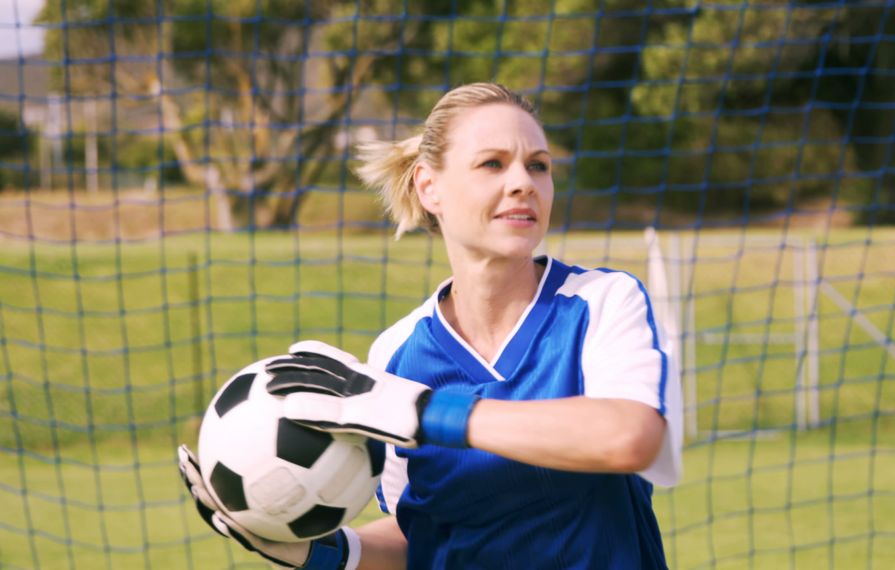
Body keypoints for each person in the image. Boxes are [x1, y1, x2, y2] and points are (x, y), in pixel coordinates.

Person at [178, 82, 682, 569]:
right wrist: (326, 553)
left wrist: (427, 413)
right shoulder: (396, 354)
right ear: (429, 186)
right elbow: (416, 530)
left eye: (539, 166)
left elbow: (628, 436)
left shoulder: (601, 302)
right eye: (492, 163)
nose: (524, 182)